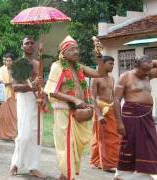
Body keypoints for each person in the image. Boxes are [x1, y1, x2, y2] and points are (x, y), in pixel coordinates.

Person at [44, 35, 106, 180]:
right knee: (67, 148)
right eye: (72, 49)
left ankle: (64, 176)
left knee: (75, 150)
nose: (76, 52)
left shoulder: (79, 67)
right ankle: (68, 177)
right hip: (64, 113)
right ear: (63, 52)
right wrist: (73, 99)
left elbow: (101, 73)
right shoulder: (57, 66)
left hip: (79, 114)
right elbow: (51, 90)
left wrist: (98, 54)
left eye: (77, 49)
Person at [113, 55, 157, 180]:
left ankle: (143, 176)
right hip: (131, 115)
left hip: (147, 116)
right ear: (136, 66)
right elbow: (116, 100)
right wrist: (119, 123)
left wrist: (150, 62)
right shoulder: (125, 77)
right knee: (129, 145)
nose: (146, 72)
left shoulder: (148, 74)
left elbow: (148, 69)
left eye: (148, 69)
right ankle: (121, 175)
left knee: (149, 144)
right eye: (143, 69)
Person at [9, 36, 46, 179]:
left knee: (37, 134)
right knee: (24, 135)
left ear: (35, 46)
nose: (30, 45)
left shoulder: (39, 63)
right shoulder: (18, 64)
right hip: (25, 100)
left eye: (32, 43)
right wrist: (31, 84)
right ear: (22, 46)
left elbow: (44, 86)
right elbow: (15, 86)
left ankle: (33, 167)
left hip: (37, 100)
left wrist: (44, 97)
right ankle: (15, 164)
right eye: (26, 43)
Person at [90, 56, 121, 172]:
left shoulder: (112, 78)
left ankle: (96, 161)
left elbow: (113, 96)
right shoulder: (96, 78)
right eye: (110, 64)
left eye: (113, 64)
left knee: (114, 136)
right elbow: (92, 97)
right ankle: (107, 164)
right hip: (101, 109)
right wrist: (98, 114)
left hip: (110, 108)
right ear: (102, 64)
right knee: (101, 137)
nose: (112, 66)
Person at [0, 52, 17, 140]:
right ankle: (3, 135)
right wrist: (10, 83)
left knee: (14, 115)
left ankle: (12, 134)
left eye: (10, 60)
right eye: (7, 60)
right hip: (4, 95)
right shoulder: (1, 70)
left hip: (14, 95)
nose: (8, 62)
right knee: (4, 115)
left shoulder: (16, 70)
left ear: (13, 61)